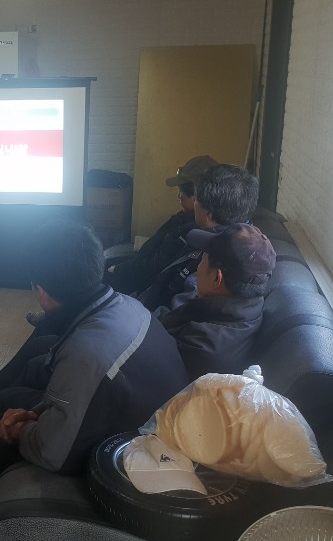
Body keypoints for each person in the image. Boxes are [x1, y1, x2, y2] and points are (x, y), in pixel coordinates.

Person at [0, 222, 189, 541]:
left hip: (131, 457)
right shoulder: (126, 305)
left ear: (42, 293)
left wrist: (22, 431)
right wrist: (37, 416)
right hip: (141, 424)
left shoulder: (88, 352)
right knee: (11, 400)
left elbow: (53, 454)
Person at [154, 224, 276, 380]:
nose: (198, 268)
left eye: (202, 261)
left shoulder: (202, 347)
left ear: (216, 278)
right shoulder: (245, 305)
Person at [136, 163, 259, 311]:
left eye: (197, 201)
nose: (194, 204)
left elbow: (176, 314)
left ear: (208, 214)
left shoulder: (212, 259)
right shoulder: (237, 237)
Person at [107, 155, 218, 295]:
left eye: (183, 192)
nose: (179, 196)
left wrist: (120, 269)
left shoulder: (192, 232)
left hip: (142, 281)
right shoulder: (185, 217)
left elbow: (157, 266)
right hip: (139, 266)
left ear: (198, 197)